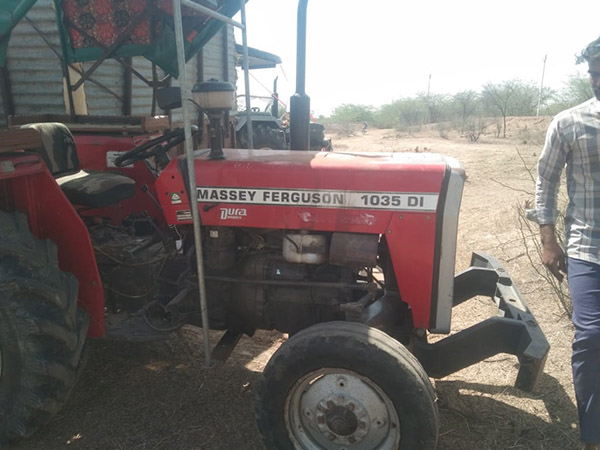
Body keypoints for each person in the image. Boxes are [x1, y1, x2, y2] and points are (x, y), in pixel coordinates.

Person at [528, 36, 600, 450]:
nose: (598, 80)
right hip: (588, 248)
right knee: (591, 337)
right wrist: (548, 238)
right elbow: (547, 178)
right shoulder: (570, 122)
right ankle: (592, 436)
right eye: (593, 73)